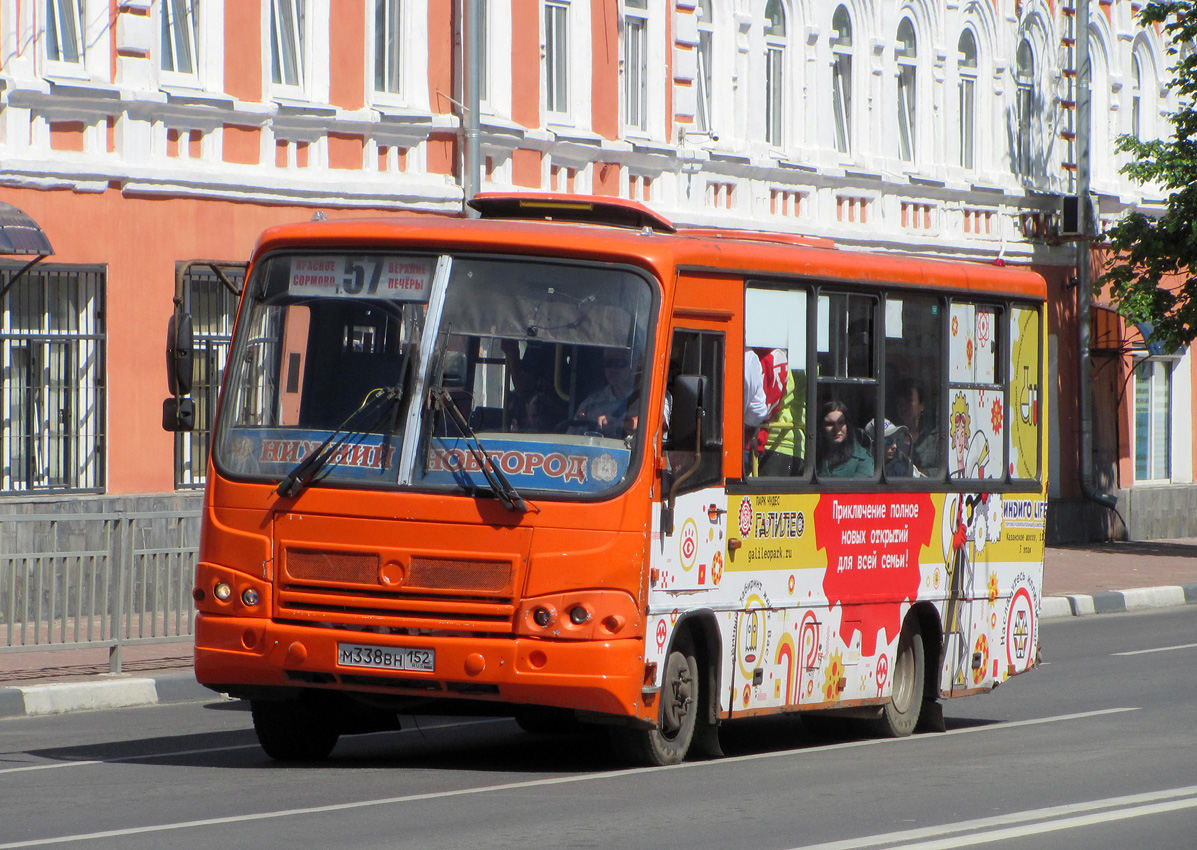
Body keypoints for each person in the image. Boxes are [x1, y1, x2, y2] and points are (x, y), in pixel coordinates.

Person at [573, 348, 639, 437]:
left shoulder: (651, 397)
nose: (613, 368)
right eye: (608, 362)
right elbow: (573, 436)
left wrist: (620, 424)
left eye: (620, 362)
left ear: (635, 365)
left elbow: (656, 422)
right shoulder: (591, 403)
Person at [894, 378, 940, 475]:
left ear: (922, 405)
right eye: (899, 402)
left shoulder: (935, 437)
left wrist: (921, 474)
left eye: (909, 401)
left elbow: (943, 470)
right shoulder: (891, 436)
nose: (903, 406)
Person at [817, 400, 873, 478]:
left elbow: (859, 489)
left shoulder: (863, 459)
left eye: (841, 423)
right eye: (830, 424)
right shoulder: (813, 456)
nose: (836, 429)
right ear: (821, 427)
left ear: (848, 426)